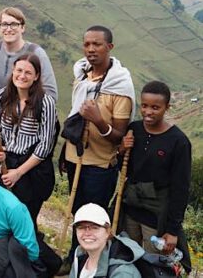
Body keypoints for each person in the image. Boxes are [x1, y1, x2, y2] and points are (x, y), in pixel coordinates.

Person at [60, 25, 135, 273]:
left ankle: (96, 266)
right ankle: (75, 260)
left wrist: (98, 120)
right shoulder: (82, 74)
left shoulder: (120, 85)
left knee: (94, 219)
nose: (91, 49)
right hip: (75, 157)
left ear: (109, 48)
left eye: (97, 44)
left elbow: (119, 136)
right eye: (87, 44)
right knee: (77, 214)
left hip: (100, 165)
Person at [119, 81, 192, 273]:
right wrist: (122, 149)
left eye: (155, 107)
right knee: (127, 257)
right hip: (131, 209)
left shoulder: (179, 142)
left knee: (153, 265)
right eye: (144, 105)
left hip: (156, 215)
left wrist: (172, 231)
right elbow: (123, 168)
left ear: (167, 107)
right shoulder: (134, 129)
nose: (148, 112)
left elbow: (181, 189)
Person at [0, 54, 57, 232]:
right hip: (4, 162)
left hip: (31, 169)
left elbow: (45, 145)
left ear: (36, 76)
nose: (22, 76)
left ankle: (27, 255)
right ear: (13, 71)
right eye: (19, 70)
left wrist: (18, 173)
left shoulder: (46, 103)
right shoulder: (1, 97)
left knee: (24, 219)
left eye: (28, 72)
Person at [0, 7, 58, 100]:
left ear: (22, 28)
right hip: (1, 111)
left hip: (28, 111)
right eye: (4, 24)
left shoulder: (36, 53)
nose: (9, 29)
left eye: (14, 24)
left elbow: (51, 93)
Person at [69, 203, 143, 278]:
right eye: (81, 227)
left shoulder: (123, 273)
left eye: (95, 227)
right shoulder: (79, 255)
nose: (87, 233)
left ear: (108, 232)